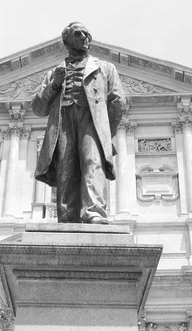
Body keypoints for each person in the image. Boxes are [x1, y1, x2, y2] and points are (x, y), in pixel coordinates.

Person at [32, 22, 126, 224]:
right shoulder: (53, 73)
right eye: (78, 34)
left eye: (87, 34)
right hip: (63, 120)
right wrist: (55, 84)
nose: (84, 37)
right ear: (66, 41)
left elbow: (118, 100)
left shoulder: (105, 68)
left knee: (93, 162)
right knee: (66, 167)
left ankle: (93, 212)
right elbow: (38, 107)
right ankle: (67, 216)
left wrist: (105, 132)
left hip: (91, 120)